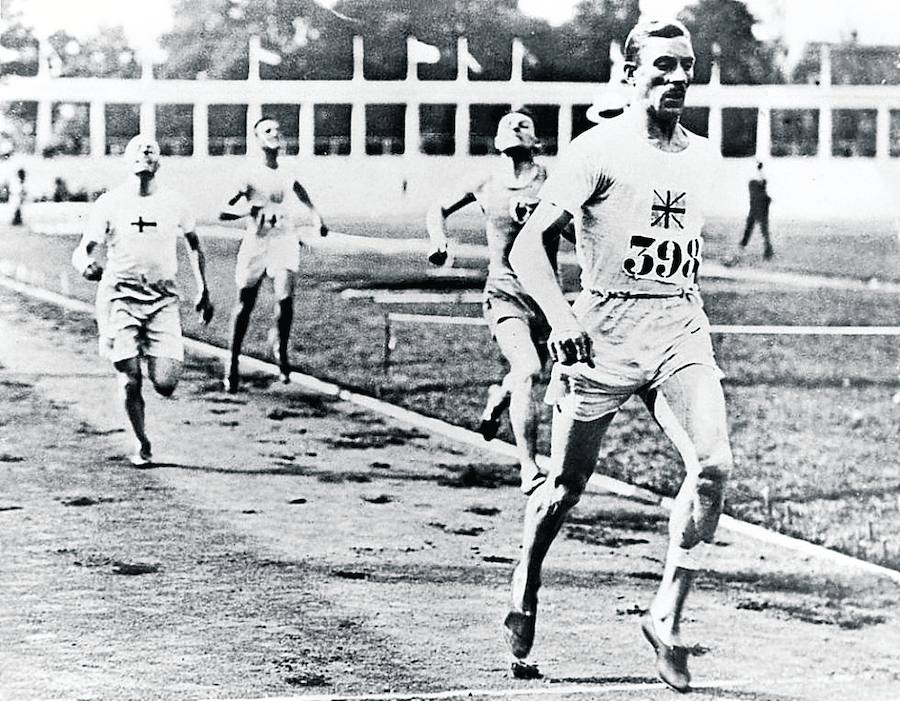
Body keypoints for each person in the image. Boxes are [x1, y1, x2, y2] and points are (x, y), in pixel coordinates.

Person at [502, 19, 733, 693]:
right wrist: (562, 315)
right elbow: (527, 248)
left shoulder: (702, 156)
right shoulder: (594, 150)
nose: (678, 77)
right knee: (565, 489)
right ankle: (526, 575)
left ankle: (666, 615)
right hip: (601, 330)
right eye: (662, 65)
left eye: (686, 66)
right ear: (629, 73)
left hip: (679, 326)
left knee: (714, 464)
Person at [426, 111, 561, 495]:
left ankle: (494, 400)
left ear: (537, 143)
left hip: (546, 298)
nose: (515, 126)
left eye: (524, 125)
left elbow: (580, 226)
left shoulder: (551, 179)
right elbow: (437, 207)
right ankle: (530, 467)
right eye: (507, 124)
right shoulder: (485, 181)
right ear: (497, 140)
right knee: (529, 369)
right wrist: (439, 241)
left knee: (521, 377)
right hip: (504, 293)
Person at [71, 135, 214, 466]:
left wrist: (203, 288)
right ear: (127, 160)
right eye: (138, 149)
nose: (145, 152)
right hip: (120, 295)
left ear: (159, 161)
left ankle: (150, 352)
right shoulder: (110, 202)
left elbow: (195, 245)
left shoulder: (175, 203)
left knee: (164, 383)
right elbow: (84, 248)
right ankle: (141, 442)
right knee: (130, 377)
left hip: (162, 298)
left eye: (151, 149)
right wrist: (84, 265)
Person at [220, 117, 328, 392]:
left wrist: (316, 216)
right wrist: (248, 210)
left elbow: (300, 191)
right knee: (245, 305)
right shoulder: (249, 175)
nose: (275, 134)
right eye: (267, 131)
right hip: (257, 243)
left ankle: (280, 347)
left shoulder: (286, 171)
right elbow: (223, 210)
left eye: (277, 129)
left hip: (283, 240)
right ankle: (231, 364)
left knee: (285, 299)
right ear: (257, 139)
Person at [740, 160, 774, 260]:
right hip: (760, 207)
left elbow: (762, 183)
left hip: (756, 207)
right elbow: (763, 182)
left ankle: (743, 245)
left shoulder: (752, 183)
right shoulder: (756, 183)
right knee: (763, 230)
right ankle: (767, 250)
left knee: (751, 228)